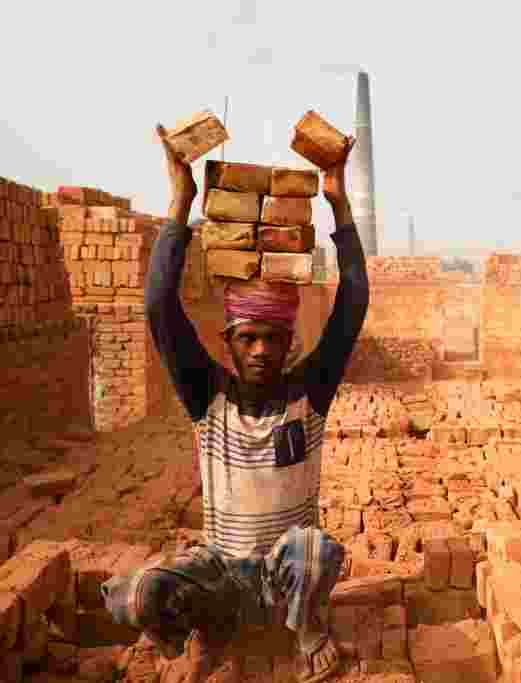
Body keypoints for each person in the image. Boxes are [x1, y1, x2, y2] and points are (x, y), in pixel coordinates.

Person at [102, 123, 369, 682]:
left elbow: (353, 302)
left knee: (316, 551)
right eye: (247, 338)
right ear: (227, 342)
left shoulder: (309, 393)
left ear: (289, 342)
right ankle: (209, 630)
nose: (260, 350)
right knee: (142, 593)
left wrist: (339, 204)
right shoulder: (208, 397)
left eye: (272, 339)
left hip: (281, 577)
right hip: (222, 572)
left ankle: (304, 628)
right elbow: (158, 305)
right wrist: (181, 201)